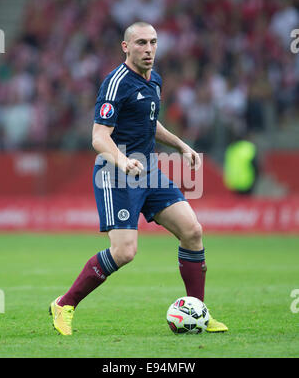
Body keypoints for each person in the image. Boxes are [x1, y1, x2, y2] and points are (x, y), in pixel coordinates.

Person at [49, 22, 228, 335]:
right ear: (126, 47)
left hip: (149, 171)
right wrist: (121, 160)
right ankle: (64, 303)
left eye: (153, 42)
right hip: (116, 173)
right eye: (142, 43)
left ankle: (197, 311)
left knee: (193, 232)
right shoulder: (116, 82)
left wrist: (181, 144)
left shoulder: (154, 80)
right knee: (124, 252)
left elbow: (150, 122)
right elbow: (98, 137)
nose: (149, 49)